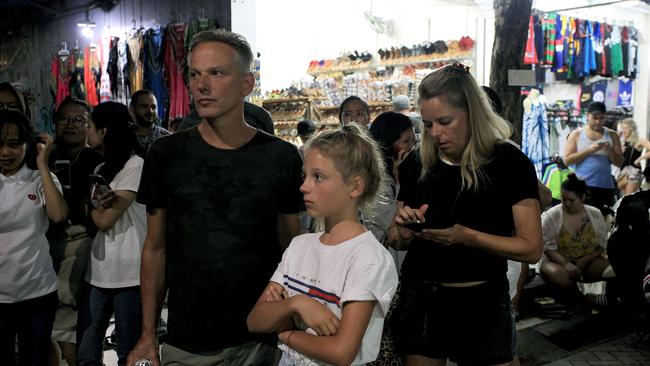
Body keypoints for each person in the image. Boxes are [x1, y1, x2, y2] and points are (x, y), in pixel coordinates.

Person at [127, 29, 303, 365]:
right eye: (195, 74)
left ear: (246, 84)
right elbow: (155, 248)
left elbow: (290, 248)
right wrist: (148, 334)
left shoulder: (281, 157)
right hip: (189, 340)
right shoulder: (166, 154)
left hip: (262, 341)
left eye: (216, 73)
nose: (201, 85)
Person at [390, 63, 543, 366]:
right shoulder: (417, 164)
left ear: (472, 113)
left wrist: (468, 237)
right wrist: (404, 232)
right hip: (421, 298)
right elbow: (397, 239)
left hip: (483, 302)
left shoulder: (509, 163)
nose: (435, 133)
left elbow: (531, 247)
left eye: (444, 121)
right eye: (428, 124)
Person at [247, 123, 398, 365]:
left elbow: (341, 352)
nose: (304, 186)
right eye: (305, 176)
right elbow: (255, 320)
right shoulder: (299, 246)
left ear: (356, 186)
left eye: (318, 177)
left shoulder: (368, 258)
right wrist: (297, 303)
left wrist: (286, 332)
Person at [76, 101, 147, 365]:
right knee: (86, 349)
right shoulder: (100, 170)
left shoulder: (136, 166)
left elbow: (105, 219)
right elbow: (98, 213)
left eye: (90, 126)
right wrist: (92, 208)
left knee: (127, 350)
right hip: (98, 270)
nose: (87, 132)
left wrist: (88, 208)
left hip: (129, 273)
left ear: (104, 131)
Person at [0, 108, 68, 365]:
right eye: (0, 145)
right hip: (0, 295)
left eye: (14, 144)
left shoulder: (40, 179)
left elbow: (59, 215)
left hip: (37, 292)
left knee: (35, 360)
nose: (5, 152)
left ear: (27, 144)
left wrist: (41, 165)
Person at [47, 97, 104, 366]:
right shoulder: (44, 156)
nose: (70, 125)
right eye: (64, 119)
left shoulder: (96, 160)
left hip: (82, 241)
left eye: (78, 120)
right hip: (46, 243)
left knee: (71, 319)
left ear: (88, 125)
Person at [539, 174, 610, 295]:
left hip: (588, 260)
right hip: (556, 261)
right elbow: (547, 248)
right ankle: (578, 296)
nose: (566, 203)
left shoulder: (595, 214)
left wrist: (584, 260)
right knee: (558, 274)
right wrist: (565, 263)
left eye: (571, 200)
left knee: (610, 270)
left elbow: (601, 246)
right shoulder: (552, 216)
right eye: (563, 199)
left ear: (582, 197)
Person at [367, 111, 415, 266]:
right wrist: (403, 180)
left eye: (413, 142)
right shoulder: (374, 184)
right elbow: (394, 226)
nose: (412, 148)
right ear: (387, 143)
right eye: (406, 142)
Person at [564, 102, 623, 213]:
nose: (598, 121)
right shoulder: (577, 134)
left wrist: (609, 151)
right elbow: (567, 160)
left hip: (604, 186)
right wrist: (589, 151)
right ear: (587, 116)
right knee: (582, 221)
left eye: (601, 118)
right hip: (582, 187)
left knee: (603, 222)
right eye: (595, 118)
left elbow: (619, 163)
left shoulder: (612, 135)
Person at [616, 118, 650, 195]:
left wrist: (640, 159)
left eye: (626, 128)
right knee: (622, 200)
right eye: (622, 128)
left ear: (632, 129)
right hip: (622, 173)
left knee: (628, 200)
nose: (623, 131)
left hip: (633, 172)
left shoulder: (638, 140)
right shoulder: (623, 142)